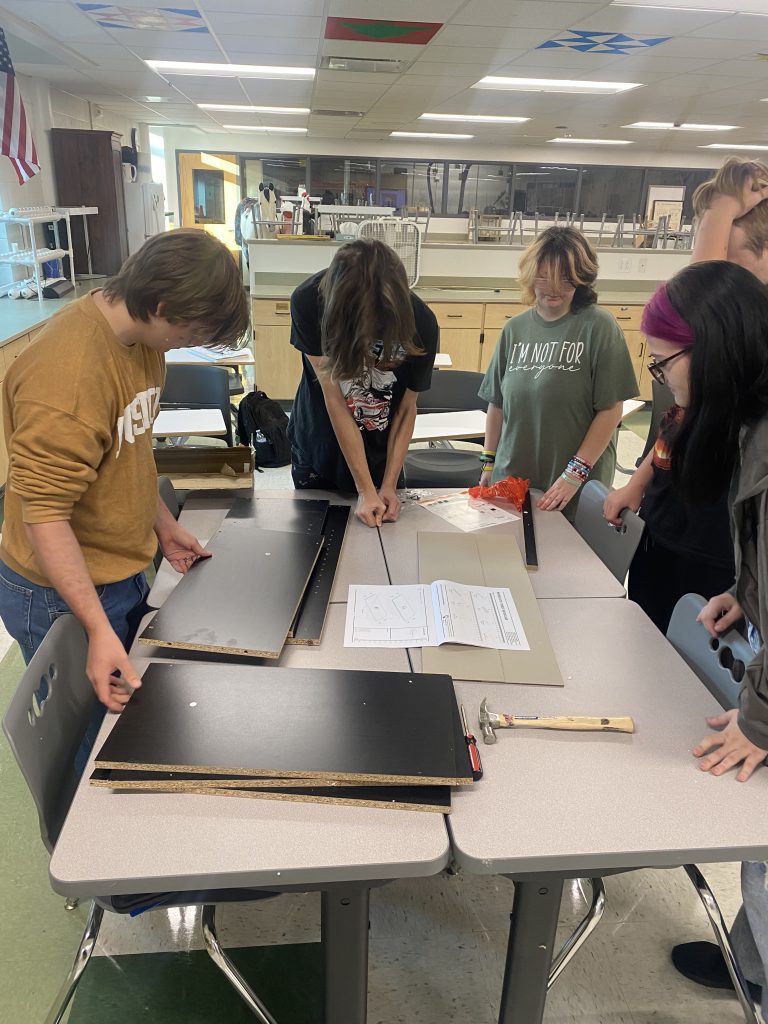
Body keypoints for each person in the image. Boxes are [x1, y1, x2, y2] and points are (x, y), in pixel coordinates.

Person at [0, 229, 250, 720]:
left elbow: (129, 449)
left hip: (118, 571)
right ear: (160, 304)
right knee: (95, 747)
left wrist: (162, 525)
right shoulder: (68, 377)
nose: (193, 344)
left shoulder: (142, 341)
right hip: (61, 594)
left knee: (133, 721)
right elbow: (44, 515)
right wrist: (96, 628)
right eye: (194, 332)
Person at [635, 263, 768, 1010]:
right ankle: (751, 969)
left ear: (709, 349)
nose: (660, 378)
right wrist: (746, 596)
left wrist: (760, 719)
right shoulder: (748, 423)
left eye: (664, 361)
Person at [603, 160, 768, 633]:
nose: (719, 288)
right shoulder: (716, 345)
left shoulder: (743, 343)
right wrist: (638, 484)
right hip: (672, 524)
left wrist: (721, 209)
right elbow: (680, 417)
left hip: (715, 543)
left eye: (729, 266)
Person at [477, 226, 638, 521]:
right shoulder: (515, 330)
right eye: (543, 276)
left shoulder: (599, 327)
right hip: (512, 479)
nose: (553, 288)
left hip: (572, 487)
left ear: (582, 278)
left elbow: (611, 410)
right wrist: (489, 462)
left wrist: (574, 475)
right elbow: (496, 403)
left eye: (566, 279)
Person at [288, 238, 438, 527]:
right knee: (316, 550)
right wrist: (364, 489)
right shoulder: (309, 301)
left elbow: (407, 409)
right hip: (319, 449)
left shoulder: (422, 321)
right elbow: (333, 398)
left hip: (384, 455)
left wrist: (387, 486)